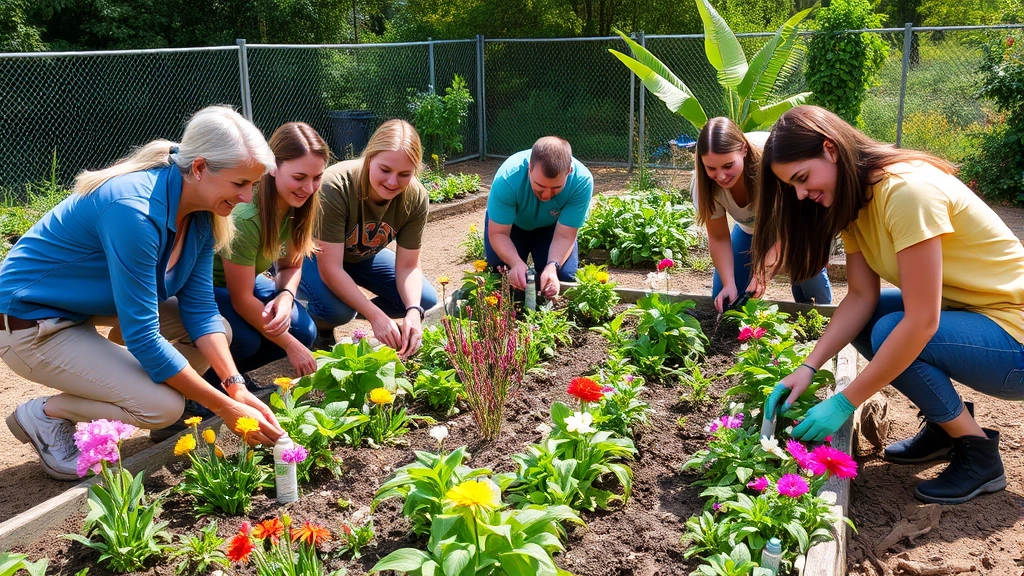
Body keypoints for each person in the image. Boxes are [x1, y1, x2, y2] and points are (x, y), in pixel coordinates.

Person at [0, 106, 285, 480]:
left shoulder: (200, 212)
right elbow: (142, 334)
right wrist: (226, 409)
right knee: (163, 407)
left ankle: (124, 383)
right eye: (239, 184)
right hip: (30, 324)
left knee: (216, 336)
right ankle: (46, 414)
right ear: (199, 168)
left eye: (253, 185)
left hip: (81, 308)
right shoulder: (134, 211)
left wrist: (237, 388)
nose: (248, 197)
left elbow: (199, 310)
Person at [758, 105, 1024, 504]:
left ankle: (978, 454)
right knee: (874, 317)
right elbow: (861, 297)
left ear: (830, 149)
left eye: (802, 178)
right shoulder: (852, 202)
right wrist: (807, 367)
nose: (800, 194)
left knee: (892, 329)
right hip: (977, 320)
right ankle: (946, 426)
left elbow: (921, 322)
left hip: (1014, 339)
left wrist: (845, 401)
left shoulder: (906, 193)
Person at [298, 119, 436, 359]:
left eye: (405, 174)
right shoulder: (336, 186)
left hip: (359, 255)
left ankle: (350, 308)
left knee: (425, 300)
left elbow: (408, 265)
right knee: (338, 310)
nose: (393, 182)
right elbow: (330, 268)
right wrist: (375, 315)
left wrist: (413, 312)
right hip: (309, 254)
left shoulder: (415, 197)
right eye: (385, 170)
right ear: (369, 158)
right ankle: (317, 320)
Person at [211, 122, 324, 379]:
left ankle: (236, 375)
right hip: (207, 287)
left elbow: (290, 265)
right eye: (299, 177)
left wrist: (284, 296)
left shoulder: (300, 205)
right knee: (247, 339)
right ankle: (213, 382)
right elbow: (241, 299)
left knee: (304, 331)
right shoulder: (246, 217)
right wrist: (289, 345)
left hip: (244, 284)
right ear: (273, 167)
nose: (309, 188)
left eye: (317, 178)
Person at [693, 116, 832, 313]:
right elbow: (718, 237)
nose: (721, 176)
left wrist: (762, 272)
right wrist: (729, 283)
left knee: (811, 290)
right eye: (711, 168)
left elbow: (793, 229)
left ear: (743, 149)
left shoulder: (773, 162)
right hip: (750, 229)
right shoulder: (703, 186)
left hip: (797, 228)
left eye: (728, 165)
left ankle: (823, 314)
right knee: (726, 300)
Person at [484, 136, 594, 298]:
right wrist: (515, 263)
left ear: (569, 172)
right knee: (501, 274)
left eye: (556, 188)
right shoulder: (508, 178)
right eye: (540, 186)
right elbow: (498, 233)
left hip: (552, 228)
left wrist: (552, 266)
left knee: (562, 278)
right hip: (512, 226)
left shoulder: (581, 181)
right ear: (529, 168)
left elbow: (565, 234)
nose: (547, 195)